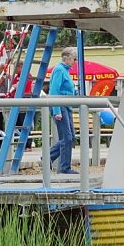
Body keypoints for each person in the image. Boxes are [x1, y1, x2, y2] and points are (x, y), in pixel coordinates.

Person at [48, 46, 78, 175]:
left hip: (66, 105)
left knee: (70, 137)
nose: (75, 61)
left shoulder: (65, 71)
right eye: (74, 59)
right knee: (67, 137)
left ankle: (48, 158)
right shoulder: (60, 70)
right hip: (61, 106)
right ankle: (64, 167)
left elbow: (66, 89)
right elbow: (54, 91)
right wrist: (56, 110)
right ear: (67, 58)